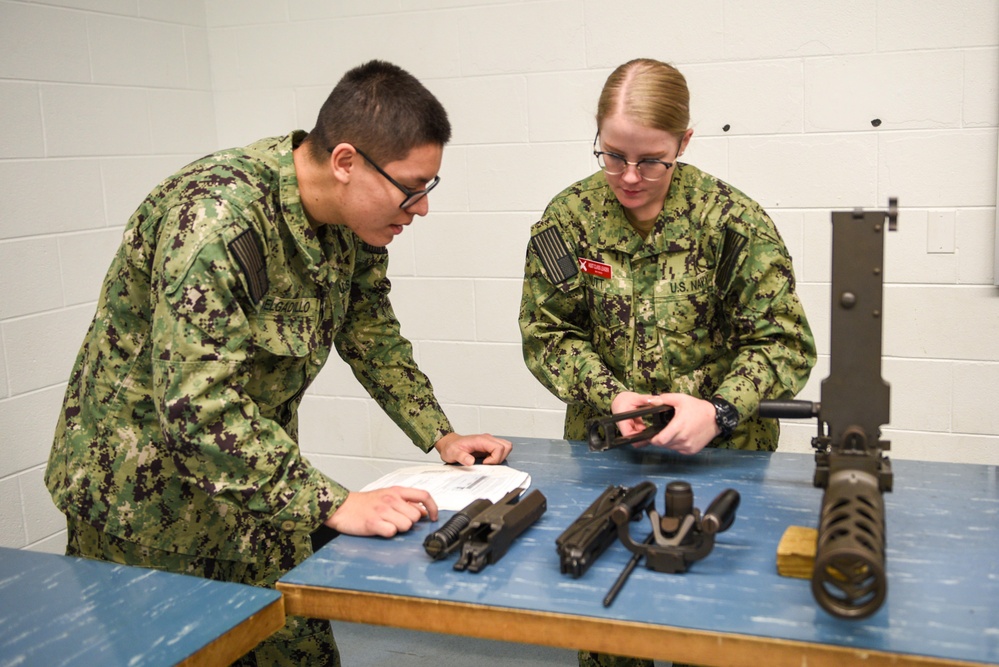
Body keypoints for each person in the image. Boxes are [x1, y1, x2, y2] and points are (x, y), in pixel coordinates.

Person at [46, 59, 512, 667]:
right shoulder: (216, 221)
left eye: (430, 187)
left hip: (253, 488)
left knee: (301, 652)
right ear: (345, 162)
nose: (420, 208)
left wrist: (439, 433)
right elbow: (196, 405)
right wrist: (333, 504)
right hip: (142, 510)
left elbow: (370, 332)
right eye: (411, 186)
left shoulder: (353, 224)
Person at [519, 59, 816, 667]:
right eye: (611, 155)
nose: (628, 176)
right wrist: (610, 396)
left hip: (723, 466)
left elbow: (783, 343)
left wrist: (721, 409)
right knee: (609, 637)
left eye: (650, 159)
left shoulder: (733, 224)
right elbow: (546, 334)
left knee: (710, 636)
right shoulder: (567, 221)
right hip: (610, 464)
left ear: (684, 142)